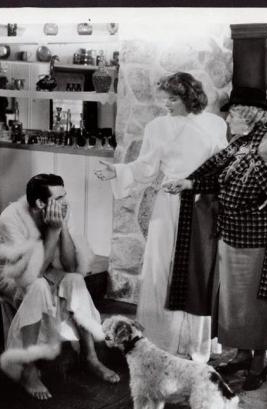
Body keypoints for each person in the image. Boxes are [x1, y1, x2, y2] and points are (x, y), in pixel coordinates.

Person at [165, 87, 267, 391]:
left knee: (258, 304)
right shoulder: (240, 143)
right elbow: (220, 177)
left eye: (232, 114)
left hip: (258, 238)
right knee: (233, 303)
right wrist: (189, 183)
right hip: (229, 234)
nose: (227, 119)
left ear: (248, 115)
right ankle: (242, 355)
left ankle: (258, 365)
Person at [94, 72, 228, 363]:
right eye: (165, 98)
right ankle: (160, 338)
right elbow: (146, 167)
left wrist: (201, 187)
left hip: (202, 204)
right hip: (169, 203)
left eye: (173, 98)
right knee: (160, 265)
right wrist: (117, 171)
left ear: (190, 97)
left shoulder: (215, 124)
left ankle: (195, 343)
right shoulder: (157, 127)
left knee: (197, 270)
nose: (166, 104)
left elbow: (223, 166)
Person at [0, 174, 120, 400]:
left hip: (44, 267)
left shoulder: (60, 211)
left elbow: (70, 266)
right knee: (38, 286)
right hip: (9, 273)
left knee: (75, 281)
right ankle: (28, 369)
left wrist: (62, 227)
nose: (65, 201)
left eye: (65, 195)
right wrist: (53, 232)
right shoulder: (11, 217)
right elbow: (32, 275)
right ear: (40, 203)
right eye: (59, 198)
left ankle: (90, 357)